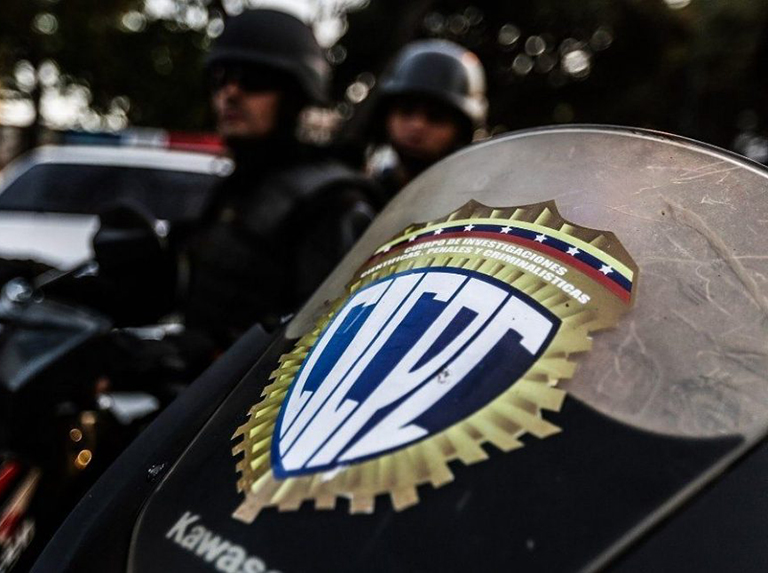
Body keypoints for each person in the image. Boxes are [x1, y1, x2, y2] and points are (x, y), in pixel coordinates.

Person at [182, 9, 381, 350]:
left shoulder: (331, 202)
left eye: (253, 79)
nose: (231, 92)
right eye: (220, 77)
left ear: (294, 95)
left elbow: (321, 343)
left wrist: (201, 354)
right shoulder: (238, 187)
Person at [367, 39, 488, 197]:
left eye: (436, 117)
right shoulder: (356, 197)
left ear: (461, 132)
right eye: (406, 111)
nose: (417, 125)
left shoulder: (473, 201)